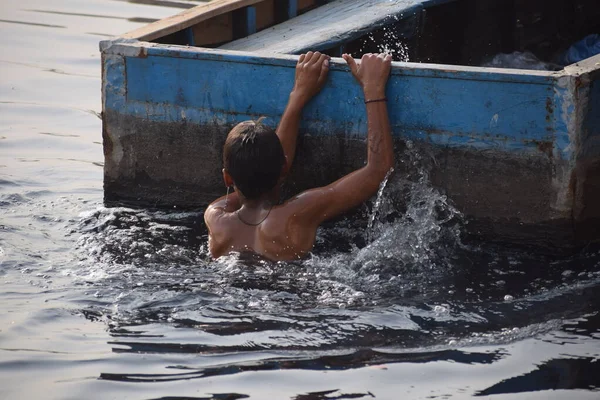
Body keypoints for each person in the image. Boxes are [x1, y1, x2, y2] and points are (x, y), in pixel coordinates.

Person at [204, 51, 394, 261]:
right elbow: (377, 170)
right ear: (284, 166)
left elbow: (259, 176)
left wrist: (299, 94)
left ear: (227, 178)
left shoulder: (215, 217)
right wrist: (373, 89)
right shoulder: (296, 214)